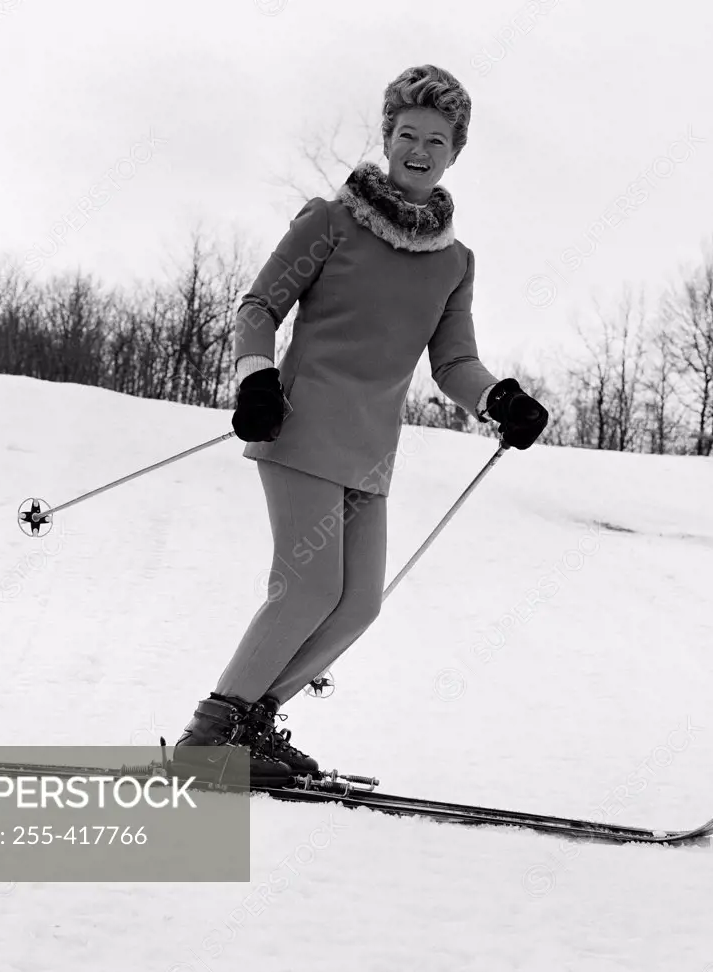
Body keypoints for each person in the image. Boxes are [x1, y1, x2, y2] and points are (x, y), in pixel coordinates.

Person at [174, 64, 548, 785]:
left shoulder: (454, 263)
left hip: (371, 454)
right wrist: (254, 376)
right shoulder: (332, 222)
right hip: (300, 426)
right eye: (406, 133)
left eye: (435, 139)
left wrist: (500, 399)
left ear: (455, 151)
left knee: (357, 605)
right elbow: (258, 308)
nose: (418, 149)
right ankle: (206, 741)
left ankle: (249, 728)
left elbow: (454, 362)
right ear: (386, 138)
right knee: (307, 591)